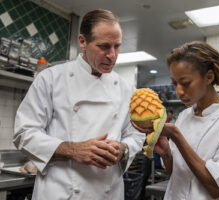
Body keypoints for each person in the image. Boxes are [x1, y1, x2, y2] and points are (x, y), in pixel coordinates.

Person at [13, 9, 145, 200]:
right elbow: (23, 133)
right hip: (60, 192)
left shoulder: (126, 89)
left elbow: (136, 134)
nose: (112, 55)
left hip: (108, 192)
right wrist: (73, 150)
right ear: (82, 41)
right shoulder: (50, 79)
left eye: (117, 46)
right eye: (104, 46)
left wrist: (123, 149)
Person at [134, 41, 219, 199]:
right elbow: (176, 172)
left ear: (209, 77)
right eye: (174, 84)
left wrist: (176, 136)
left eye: (185, 83)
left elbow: (218, 188)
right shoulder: (184, 116)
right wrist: (165, 152)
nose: (178, 91)